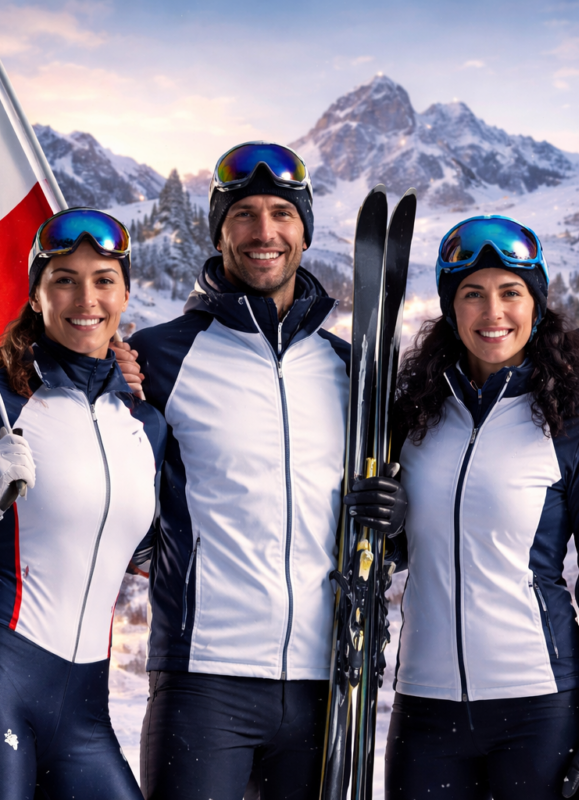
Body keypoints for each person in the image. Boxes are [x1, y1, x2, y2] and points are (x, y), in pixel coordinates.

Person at [125, 142, 404, 800]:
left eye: (282, 213)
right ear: (219, 231)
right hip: (203, 678)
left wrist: (397, 521)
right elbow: (116, 497)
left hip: (325, 683)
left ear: (305, 233)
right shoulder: (158, 357)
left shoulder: (351, 371)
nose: (263, 231)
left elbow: (389, 534)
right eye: (243, 214)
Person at [361, 215, 579, 800]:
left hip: (538, 707)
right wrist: (389, 531)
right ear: (450, 307)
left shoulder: (577, 426)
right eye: (473, 294)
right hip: (424, 707)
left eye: (511, 292)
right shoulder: (414, 418)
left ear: (536, 305)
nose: (493, 313)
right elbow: (412, 550)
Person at [0, 208, 166, 800]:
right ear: (36, 296)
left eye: (103, 280)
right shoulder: (5, 403)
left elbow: (147, 554)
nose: (85, 298)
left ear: (124, 295)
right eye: (64, 279)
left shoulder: (145, 424)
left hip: (84, 712)